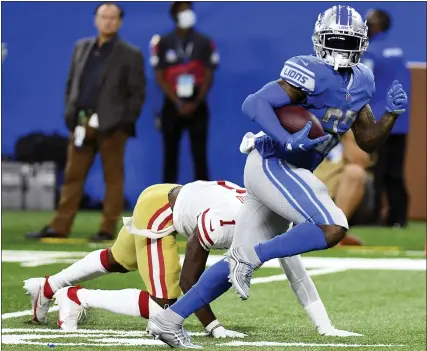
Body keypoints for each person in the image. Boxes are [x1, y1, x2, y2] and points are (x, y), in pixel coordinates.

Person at [147, 5, 408, 348]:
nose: (342, 48)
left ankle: (168, 320)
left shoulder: (364, 80)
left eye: (348, 41)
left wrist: (389, 115)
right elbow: (254, 104)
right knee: (332, 226)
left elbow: (366, 139)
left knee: (232, 266)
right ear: (321, 41)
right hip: (273, 161)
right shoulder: (310, 72)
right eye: (336, 40)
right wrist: (286, 138)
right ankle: (252, 257)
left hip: (292, 169)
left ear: (360, 43)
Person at [24, 181, 355, 341]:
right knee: (164, 308)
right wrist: (213, 325)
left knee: (118, 259)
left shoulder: (278, 222)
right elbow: (189, 282)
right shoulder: (227, 222)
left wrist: (324, 327)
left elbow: (298, 276)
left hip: (177, 197)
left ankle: (48, 287)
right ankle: (75, 296)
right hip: (161, 210)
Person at [25, 2, 146, 242]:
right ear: (96, 19)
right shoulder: (81, 47)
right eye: (104, 17)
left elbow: (137, 93)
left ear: (119, 21)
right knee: (73, 175)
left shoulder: (130, 54)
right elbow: (72, 82)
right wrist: (71, 113)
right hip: (81, 121)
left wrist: (123, 122)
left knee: (112, 178)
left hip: (112, 126)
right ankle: (59, 226)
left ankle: (106, 229)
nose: (108, 21)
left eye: (113, 18)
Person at [151, 1, 219, 183]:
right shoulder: (163, 42)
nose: (187, 13)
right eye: (182, 10)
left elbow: (209, 75)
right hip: (172, 105)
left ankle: (205, 200)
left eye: (189, 9)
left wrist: (195, 102)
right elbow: (160, 76)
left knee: (200, 155)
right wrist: (178, 103)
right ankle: (166, 198)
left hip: (197, 103)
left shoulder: (205, 42)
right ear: (174, 15)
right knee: (170, 154)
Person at [363, 9, 411, 228]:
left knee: (376, 171)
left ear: (376, 26)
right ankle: (398, 218)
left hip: (379, 122)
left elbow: (364, 87)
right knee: (395, 172)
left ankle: (372, 217)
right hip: (400, 122)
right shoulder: (399, 51)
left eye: (368, 23)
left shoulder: (371, 52)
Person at [314, 131, 375, 245]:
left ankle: (335, 233)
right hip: (303, 188)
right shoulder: (299, 121)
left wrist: (345, 135)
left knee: (355, 172)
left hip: (336, 196)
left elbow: (359, 160)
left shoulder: (346, 126)